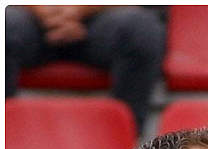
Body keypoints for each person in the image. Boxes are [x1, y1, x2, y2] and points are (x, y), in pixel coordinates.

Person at [6, 5, 165, 131]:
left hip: (105, 18)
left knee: (141, 29)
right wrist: (43, 10)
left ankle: (126, 140)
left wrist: (80, 9)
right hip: (28, 18)